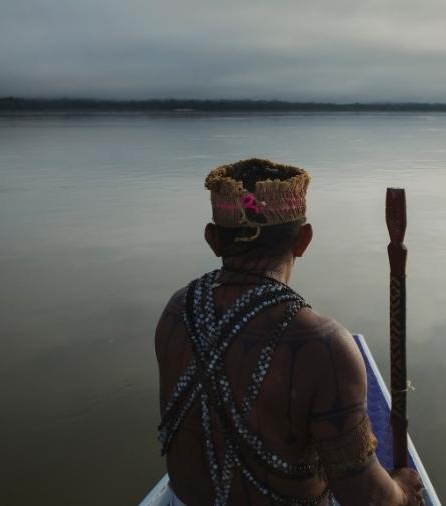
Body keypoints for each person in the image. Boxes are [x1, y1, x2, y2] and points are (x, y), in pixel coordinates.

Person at [155, 158, 424, 505]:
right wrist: (402, 490)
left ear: (212, 240)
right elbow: (366, 497)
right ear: (304, 240)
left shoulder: (176, 313)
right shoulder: (323, 346)